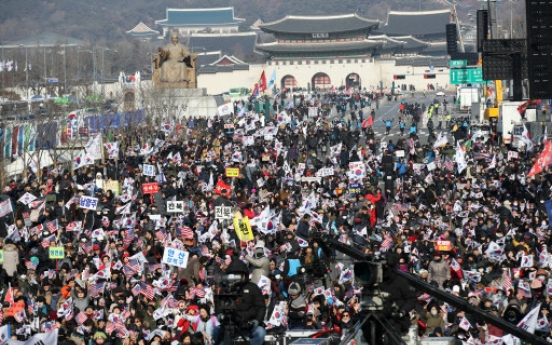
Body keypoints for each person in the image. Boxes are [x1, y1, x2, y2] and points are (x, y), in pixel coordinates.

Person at [216, 259, 266, 345]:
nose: (236, 278)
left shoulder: (252, 288)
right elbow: (219, 306)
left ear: (244, 275)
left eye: (238, 275)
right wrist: (220, 316)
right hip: (229, 325)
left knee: (260, 332)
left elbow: (261, 307)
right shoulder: (225, 289)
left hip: (249, 325)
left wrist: (256, 321)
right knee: (215, 331)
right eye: (233, 275)